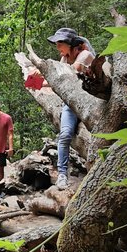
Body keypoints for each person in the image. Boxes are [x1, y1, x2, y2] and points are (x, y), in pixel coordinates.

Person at [45, 27, 95, 189]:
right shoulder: (64, 59)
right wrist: (38, 81)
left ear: (70, 44)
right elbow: (58, 78)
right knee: (65, 135)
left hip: (92, 103)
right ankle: (62, 175)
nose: (58, 47)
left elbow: (73, 72)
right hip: (71, 104)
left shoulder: (85, 55)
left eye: (60, 43)